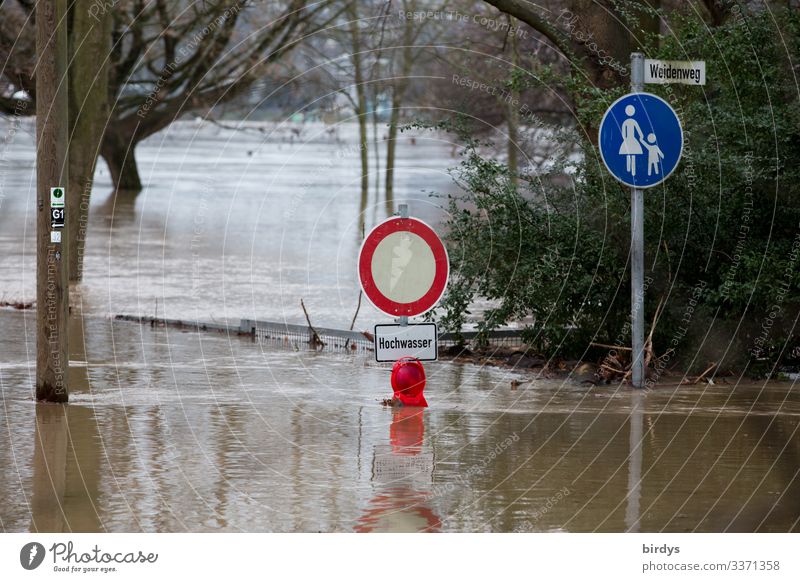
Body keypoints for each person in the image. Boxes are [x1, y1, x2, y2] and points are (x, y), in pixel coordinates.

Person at [619, 104, 644, 176]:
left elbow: (623, 132)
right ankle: (630, 171)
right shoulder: (632, 121)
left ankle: (630, 170)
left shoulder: (626, 122)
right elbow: (638, 130)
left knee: (629, 154)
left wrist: (624, 138)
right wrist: (641, 136)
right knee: (631, 154)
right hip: (631, 139)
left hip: (629, 139)